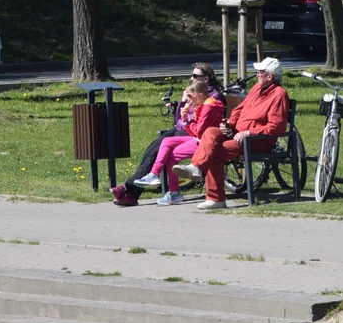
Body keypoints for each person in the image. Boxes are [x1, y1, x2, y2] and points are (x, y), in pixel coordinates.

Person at [173, 57, 289, 210]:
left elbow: (277, 127)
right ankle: (196, 167)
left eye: (260, 72)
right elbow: (240, 110)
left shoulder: (279, 95)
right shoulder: (256, 88)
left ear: (270, 76)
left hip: (255, 141)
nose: (257, 74)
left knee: (214, 152)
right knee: (210, 131)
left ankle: (215, 197)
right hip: (237, 134)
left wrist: (249, 132)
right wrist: (228, 124)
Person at [111, 63, 223, 207]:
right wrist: (183, 104)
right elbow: (179, 119)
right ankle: (144, 182)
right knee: (151, 151)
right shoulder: (194, 93)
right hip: (182, 130)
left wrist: (187, 119)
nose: (191, 78)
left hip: (192, 134)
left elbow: (199, 126)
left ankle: (129, 190)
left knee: (158, 152)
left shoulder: (212, 97)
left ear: (205, 79)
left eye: (195, 76)